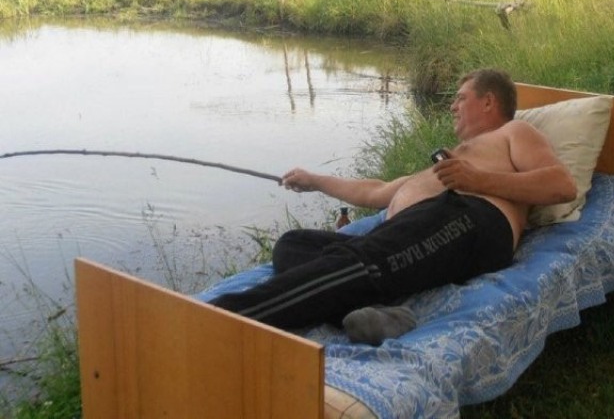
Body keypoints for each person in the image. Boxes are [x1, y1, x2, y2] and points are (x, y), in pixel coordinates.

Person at [209, 68, 576, 345]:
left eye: (460, 98)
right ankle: (374, 315)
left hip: (470, 219)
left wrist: (476, 181)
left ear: (489, 101)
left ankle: (218, 317)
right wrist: (315, 180)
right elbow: (376, 192)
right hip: (408, 233)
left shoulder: (514, 133)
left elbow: (561, 185)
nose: (452, 106)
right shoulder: (453, 161)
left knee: (357, 262)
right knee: (293, 245)